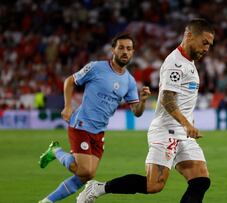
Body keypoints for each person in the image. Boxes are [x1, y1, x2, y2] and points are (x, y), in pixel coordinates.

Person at [77, 18, 215, 203]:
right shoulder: (176, 63)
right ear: (189, 36)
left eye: (209, 45)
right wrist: (187, 124)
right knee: (154, 185)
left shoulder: (188, 63)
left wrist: (186, 126)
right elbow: (167, 99)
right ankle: (98, 188)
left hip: (183, 133)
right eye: (204, 43)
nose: (206, 48)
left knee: (200, 181)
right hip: (166, 132)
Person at [38, 34, 151, 203]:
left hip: (99, 131)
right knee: (85, 171)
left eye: (128, 49)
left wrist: (141, 101)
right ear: (113, 50)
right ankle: (56, 151)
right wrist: (68, 106)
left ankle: (47, 201)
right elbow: (69, 81)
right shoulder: (96, 67)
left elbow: (136, 112)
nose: (125, 52)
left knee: (85, 176)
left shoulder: (130, 81)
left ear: (133, 52)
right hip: (81, 123)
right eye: (121, 48)